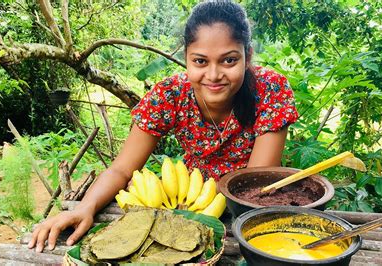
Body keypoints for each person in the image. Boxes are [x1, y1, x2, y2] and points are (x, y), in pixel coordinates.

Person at [28, 0, 298, 252]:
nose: (214, 75)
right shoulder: (170, 94)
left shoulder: (270, 89)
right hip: (189, 207)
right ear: (186, 57)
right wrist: (85, 207)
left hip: (252, 208)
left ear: (247, 56)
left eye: (229, 60)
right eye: (200, 61)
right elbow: (123, 168)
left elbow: (255, 182)